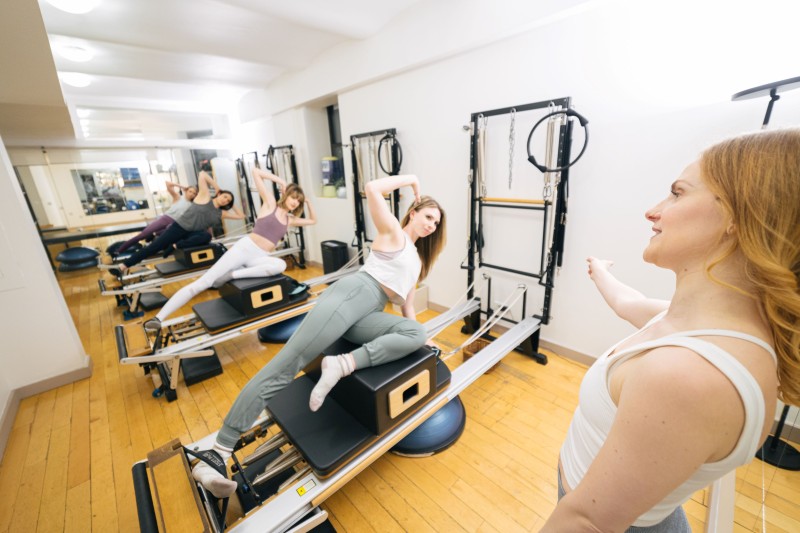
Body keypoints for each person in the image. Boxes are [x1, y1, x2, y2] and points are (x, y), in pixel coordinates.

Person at [542, 128, 800, 532]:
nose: (653, 211)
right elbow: (629, 303)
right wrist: (601, 272)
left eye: (677, 193)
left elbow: (587, 521)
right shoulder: (698, 327)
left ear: (738, 216)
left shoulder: (687, 374)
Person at [190, 174, 447, 498]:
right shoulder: (393, 231)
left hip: (369, 313)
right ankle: (216, 454)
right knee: (287, 364)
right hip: (350, 297)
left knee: (416, 331)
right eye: (428, 216)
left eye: (436, 223)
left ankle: (340, 365)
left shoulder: (417, 259)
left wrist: (425, 339)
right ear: (413, 213)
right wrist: (411, 180)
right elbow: (371, 188)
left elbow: (407, 309)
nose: (431, 225)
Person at [143, 168, 317, 331]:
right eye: (294, 197)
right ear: (286, 195)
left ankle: (233, 275)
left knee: (280, 265)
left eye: (298, 200)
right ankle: (158, 318)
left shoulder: (290, 219)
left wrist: (308, 203)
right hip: (244, 248)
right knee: (204, 282)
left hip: (260, 257)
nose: (295, 202)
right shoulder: (270, 203)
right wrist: (280, 180)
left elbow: (313, 221)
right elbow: (255, 172)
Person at [114, 169, 242, 274]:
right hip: (179, 227)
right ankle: (124, 265)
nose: (226, 200)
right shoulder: (205, 196)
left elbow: (241, 216)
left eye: (228, 200)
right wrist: (217, 187)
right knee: (153, 247)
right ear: (219, 194)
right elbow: (202, 174)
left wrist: (232, 204)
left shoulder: (222, 213)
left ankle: (176, 245)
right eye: (225, 196)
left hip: (193, 233)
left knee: (207, 236)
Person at [115, 180, 198, 254]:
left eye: (194, 193)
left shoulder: (192, 205)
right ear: (186, 191)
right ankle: (120, 250)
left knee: (162, 238)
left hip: (174, 224)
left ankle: (153, 236)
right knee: (142, 235)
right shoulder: (178, 197)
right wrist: (183, 187)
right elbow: (168, 183)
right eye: (190, 191)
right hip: (165, 218)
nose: (192, 194)